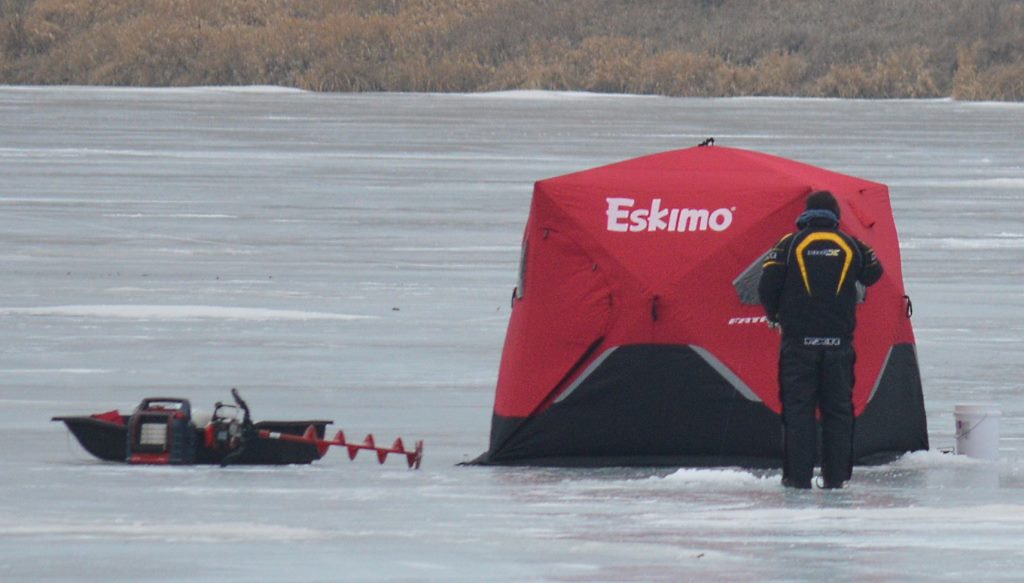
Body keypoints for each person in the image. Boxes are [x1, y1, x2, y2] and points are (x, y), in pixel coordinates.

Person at [758, 191, 883, 489]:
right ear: (835, 216)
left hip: (798, 345)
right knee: (838, 414)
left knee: (798, 412)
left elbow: (766, 286)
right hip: (839, 346)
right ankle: (835, 479)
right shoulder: (851, 244)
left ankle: (797, 480)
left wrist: (775, 315)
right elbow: (874, 274)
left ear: (807, 215)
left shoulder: (788, 245)